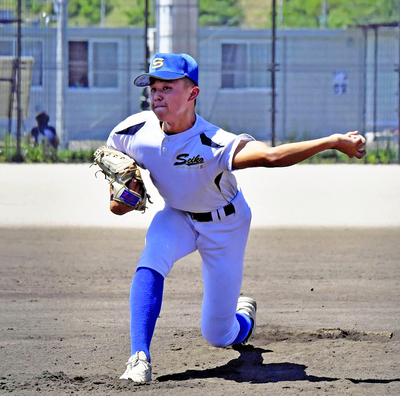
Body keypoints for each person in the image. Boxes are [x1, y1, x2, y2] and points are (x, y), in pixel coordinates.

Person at [104, 53, 366, 384]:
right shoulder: (131, 132)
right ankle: (139, 357)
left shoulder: (214, 142)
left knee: (217, 333)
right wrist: (123, 199)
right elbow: (117, 199)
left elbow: (271, 157)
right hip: (177, 216)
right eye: (153, 86)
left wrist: (333, 142)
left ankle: (242, 317)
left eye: (167, 87)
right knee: (152, 258)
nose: (157, 93)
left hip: (225, 225)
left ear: (192, 93)